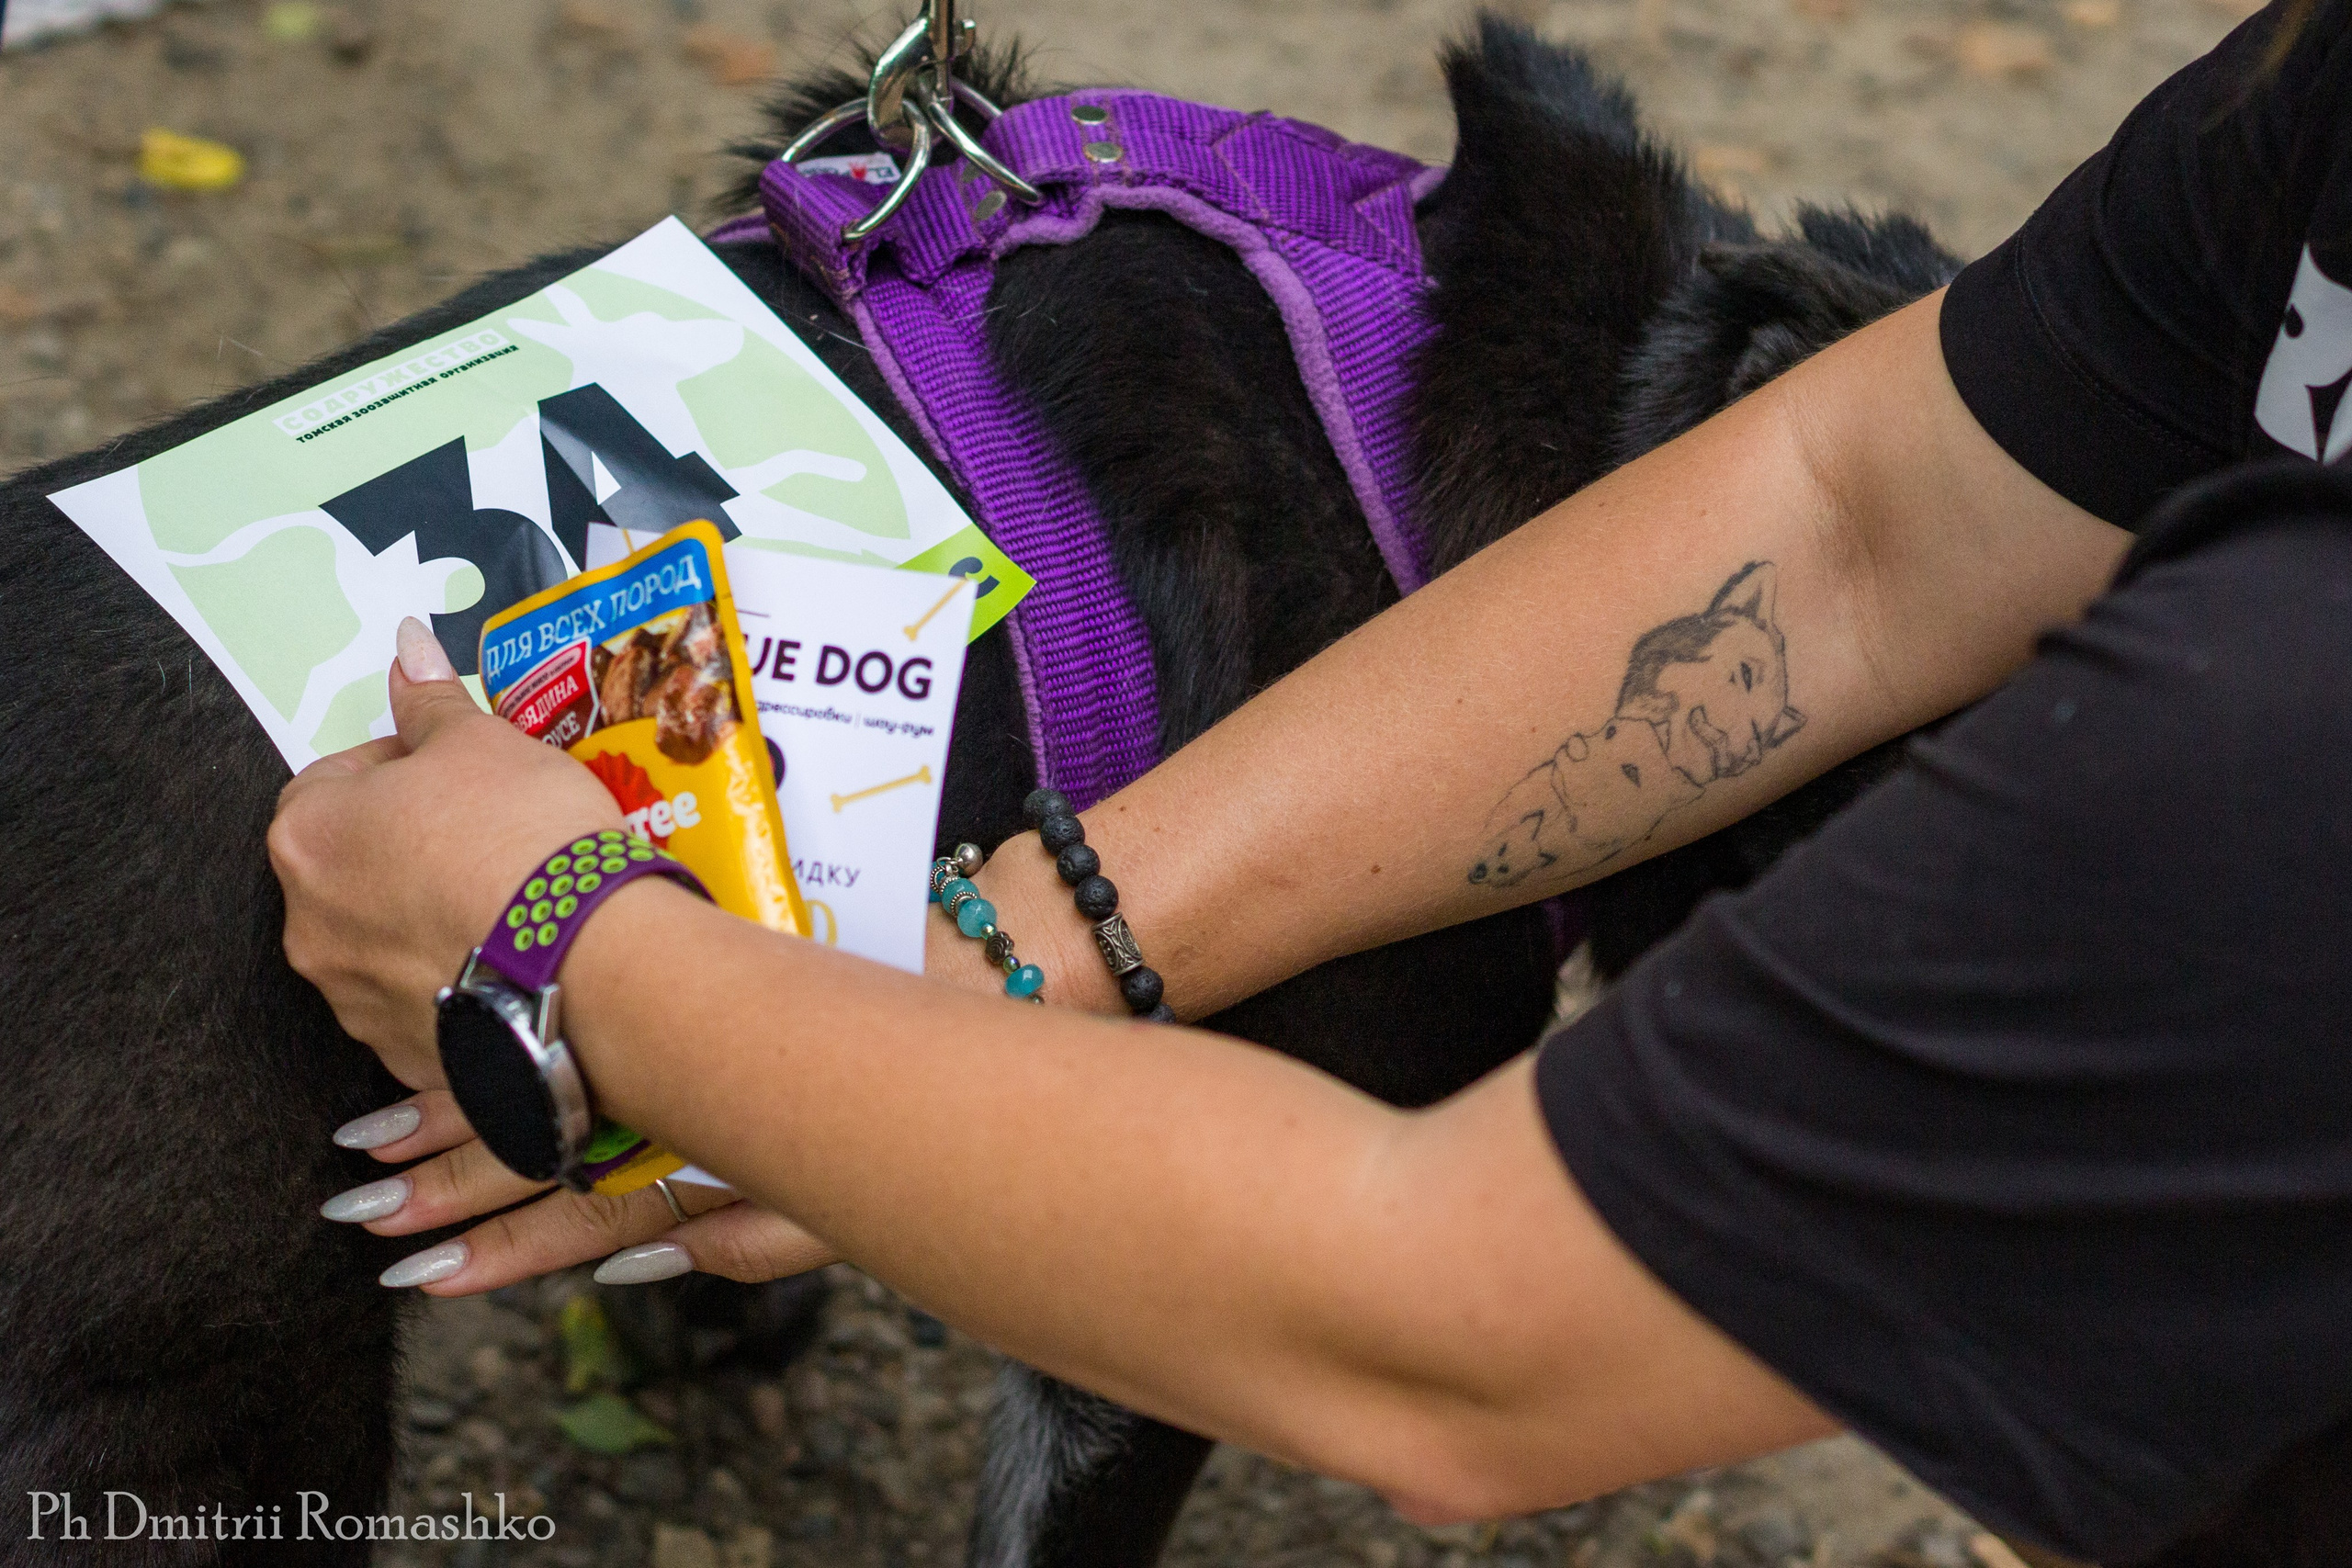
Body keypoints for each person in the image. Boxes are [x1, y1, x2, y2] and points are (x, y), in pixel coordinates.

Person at [271, 3, 2352, 1562]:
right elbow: (1854, 507)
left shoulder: (2277, 717)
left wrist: (589, 951)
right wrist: (1000, 955)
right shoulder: (2308, 123)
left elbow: (1439, 1325)